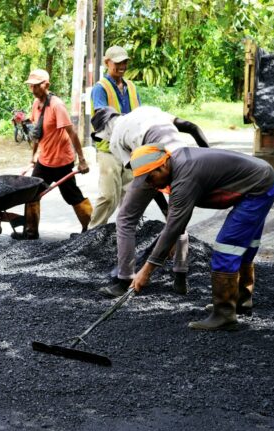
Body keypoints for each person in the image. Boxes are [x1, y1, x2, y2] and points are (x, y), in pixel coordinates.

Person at [129, 146, 274, 331]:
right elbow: (178, 216)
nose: (150, 185)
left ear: (162, 166)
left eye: (150, 178)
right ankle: (240, 299)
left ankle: (224, 315)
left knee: (227, 248)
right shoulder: (178, 164)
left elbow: (173, 225)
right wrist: (171, 240)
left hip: (257, 189)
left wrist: (146, 271)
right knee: (246, 244)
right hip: (262, 180)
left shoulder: (185, 177)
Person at [94, 105, 210, 297]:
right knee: (177, 220)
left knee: (125, 219)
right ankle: (180, 278)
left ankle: (124, 280)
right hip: (184, 159)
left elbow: (147, 176)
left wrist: (164, 208)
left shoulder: (115, 140)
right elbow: (193, 127)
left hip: (159, 162)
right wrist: (208, 155)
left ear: (104, 131)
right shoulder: (147, 111)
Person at [12, 69, 91, 240]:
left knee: (72, 196)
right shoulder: (36, 104)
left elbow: (72, 133)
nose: (33, 90)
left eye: (36, 86)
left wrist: (82, 160)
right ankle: (30, 232)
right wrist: (34, 156)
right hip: (44, 161)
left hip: (62, 162)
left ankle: (91, 229)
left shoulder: (57, 105)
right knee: (32, 194)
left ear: (46, 85)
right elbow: (37, 132)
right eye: (31, 86)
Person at [89, 45, 141, 227]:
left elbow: (139, 114)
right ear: (107, 63)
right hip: (109, 149)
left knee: (130, 197)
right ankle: (93, 232)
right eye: (117, 63)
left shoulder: (131, 87)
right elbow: (103, 115)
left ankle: (126, 233)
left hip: (129, 150)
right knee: (109, 196)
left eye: (124, 62)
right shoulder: (100, 88)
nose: (122, 66)